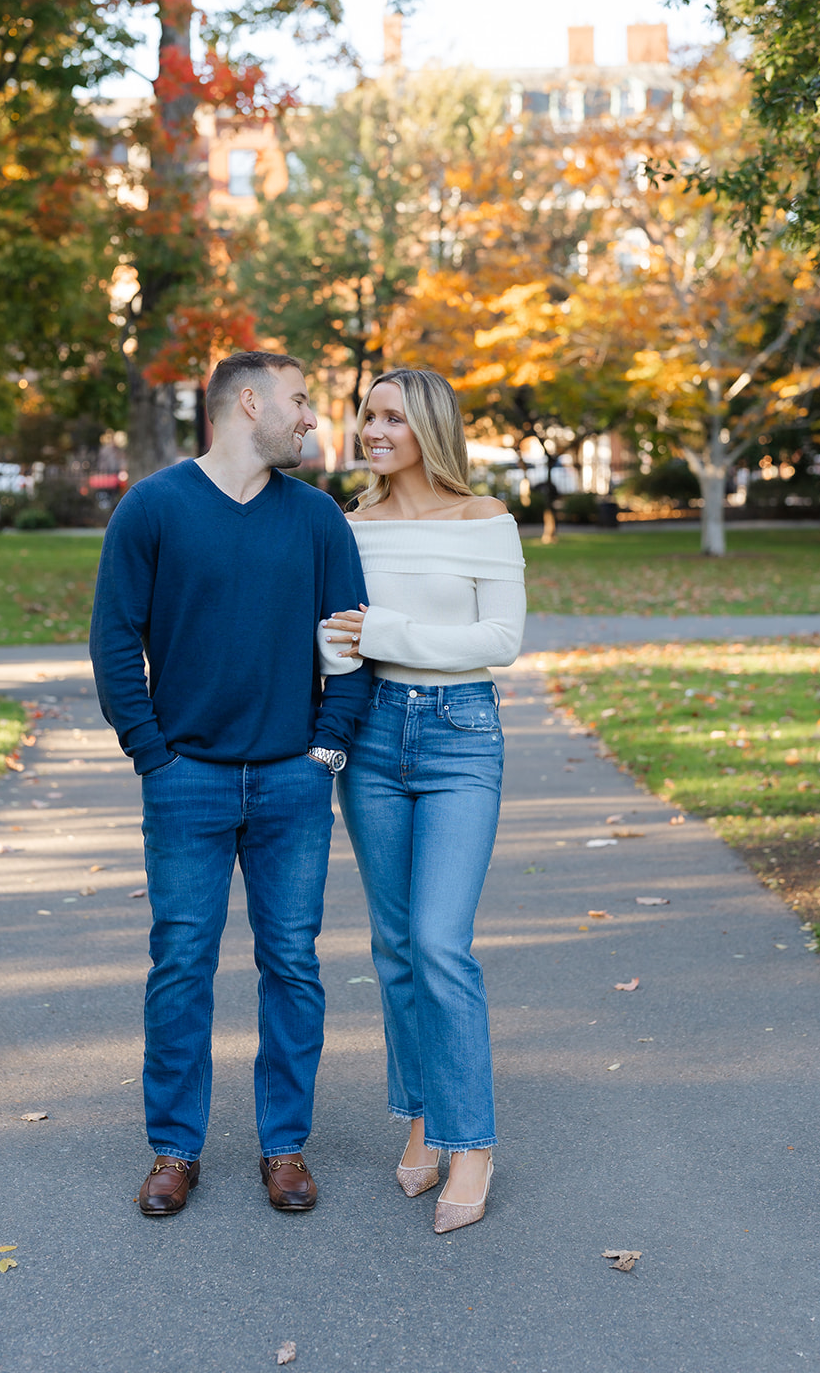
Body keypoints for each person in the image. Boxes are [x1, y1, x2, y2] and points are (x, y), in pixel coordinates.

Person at [90, 350, 371, 1218]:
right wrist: (152, 754)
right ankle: (174, 1150)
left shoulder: (318, 519)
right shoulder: (155, 508)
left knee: (292, 963)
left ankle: (283, 1147)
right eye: (299, 401)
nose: (312, 419)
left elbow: (352, 643)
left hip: (292, 780)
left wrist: (325, 751)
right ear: (248, 404)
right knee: (180, 966)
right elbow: (114, 639)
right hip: (186, 783)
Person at [320, 368, 525, 1234]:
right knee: (395, 946)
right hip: (370, 735)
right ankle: (420, 1119)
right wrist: (336, 653)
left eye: (392, 417)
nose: (372, 429)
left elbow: (500, 640)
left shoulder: (484, 520)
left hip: (458, 734)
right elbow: (335, 643)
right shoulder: (345, 528)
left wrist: (386, 635)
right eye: (367, 415)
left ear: (428, 429)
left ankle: (470, 1142)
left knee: (442, 943)